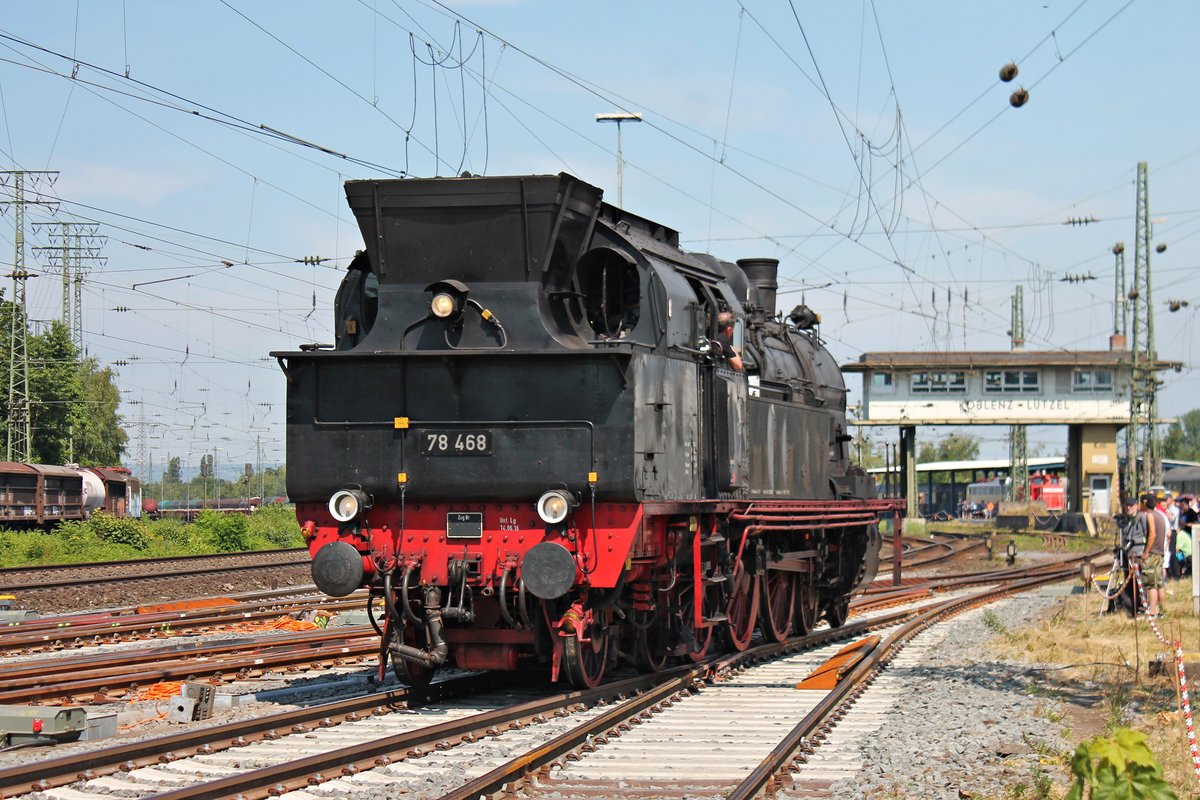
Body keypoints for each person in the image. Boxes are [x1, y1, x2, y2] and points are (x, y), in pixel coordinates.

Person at [1140, 492, 1166, 615]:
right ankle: (1162, 610)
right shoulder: (1159, 515)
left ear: (1145, 503)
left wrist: (1146, 552)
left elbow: (1152, 534)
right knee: (1159, 583)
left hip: (1153, 553)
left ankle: (1153, 610)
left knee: (1151, 584)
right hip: (1159, 552)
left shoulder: (1150, 515)